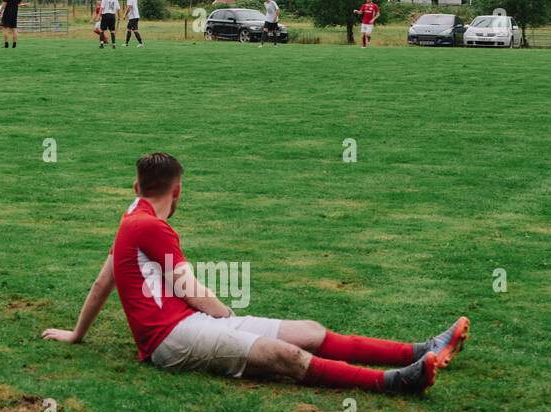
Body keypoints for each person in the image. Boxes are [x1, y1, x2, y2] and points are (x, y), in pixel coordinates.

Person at [42, 152, 469, 394]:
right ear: (178, 190)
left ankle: (419, 349)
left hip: (189, 324)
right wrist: (225, 316)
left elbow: (104, 280)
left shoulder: (130, 217)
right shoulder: (152, 226)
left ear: (137, 189)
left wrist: (77, 334)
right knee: (283, 356)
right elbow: (189, 287)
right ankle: (392, 382)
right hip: (169, 340)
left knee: (310, 331)